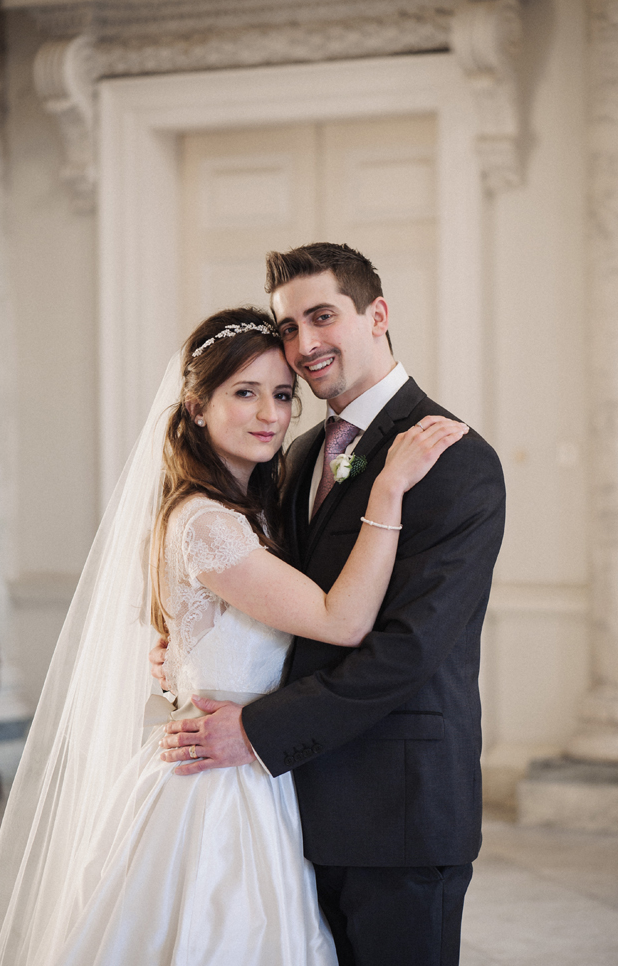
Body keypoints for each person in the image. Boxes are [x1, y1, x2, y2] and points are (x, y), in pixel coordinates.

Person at [0, 305, 466, 966]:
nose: (268, 412)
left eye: (282, 394)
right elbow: (341, 621)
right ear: (196, 406)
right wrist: (387, 491)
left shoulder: (257, 507)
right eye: (244, 392)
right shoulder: (207, 523)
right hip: (214, 795)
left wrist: (178, 655)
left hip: (261, 773)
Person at [154, 244, 506, 966]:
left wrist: (255, 730)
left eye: (322, 317)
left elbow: (406, 648)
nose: (304, 345)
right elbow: (256, 600)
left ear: (376, 315)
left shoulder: (453, 458)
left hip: (396, 810)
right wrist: (181, 656)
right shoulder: (293, 452)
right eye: (289, 326)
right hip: (286, 809)